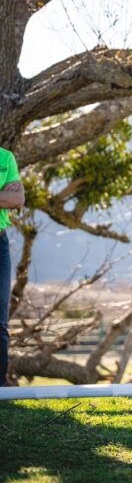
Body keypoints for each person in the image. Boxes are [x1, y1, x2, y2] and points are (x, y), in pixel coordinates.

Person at [0, 148, 24, 386]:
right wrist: (2, 196)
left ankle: (0, 388)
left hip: (0, 244)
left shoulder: (5, 158)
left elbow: (17, 200)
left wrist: (10, 197)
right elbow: (8, 198)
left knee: (0, 321)